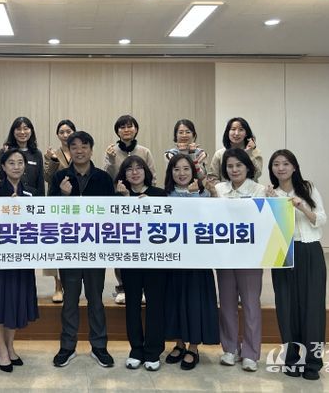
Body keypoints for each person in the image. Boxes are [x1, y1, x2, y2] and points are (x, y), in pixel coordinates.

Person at [49, 131, 116, 368]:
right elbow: (49, 213)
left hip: (95, 248)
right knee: (70, 300)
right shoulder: (59, 177)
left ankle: (99, 346)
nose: (79, 151)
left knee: (96, 299)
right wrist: (63, 196)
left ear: (91, 149)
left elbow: (111, 214)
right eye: (74, 146)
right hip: (69, 248)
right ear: (69, 150)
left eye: (84, 146)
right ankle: (67, 347)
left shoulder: (103, 178)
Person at [0, 149, 39, 373]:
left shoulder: (31, 193)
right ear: (2, 167)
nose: (16, 166)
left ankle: (10, 345)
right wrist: (0, 200)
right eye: (11, 163)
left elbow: (40, 221)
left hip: (22, 256)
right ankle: (1, 348)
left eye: (20, 162)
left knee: (16, 301)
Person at [267, 149, 327, 381]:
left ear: (294, 167)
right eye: (276, 164)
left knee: (313, 307)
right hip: (281, 251)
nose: (281, 168)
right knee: (286, 307)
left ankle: (313, 362)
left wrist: (301, 207)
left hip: (309, 250)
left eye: (285, 163)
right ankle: (291, 359)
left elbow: (321, 219)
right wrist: (269, 203)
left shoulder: (308, 189)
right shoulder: (270, 193)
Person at [162, 154, 220, 370]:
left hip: (198, 259)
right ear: (170, 173)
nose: (181, 173)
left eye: (186, 169)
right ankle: (179, 343)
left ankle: (193, 347)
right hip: (173, 259)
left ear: (193, 172)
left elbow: (212, 219)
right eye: (176, 169)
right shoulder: (164, 196)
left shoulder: (204, 194)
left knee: (195, 301)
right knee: (175, 300)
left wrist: (200, 194)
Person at [214, 148, 266, 372]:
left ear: (247, 167)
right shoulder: (219, 189)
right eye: (230, 166)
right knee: (226, 303)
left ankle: (251, 353)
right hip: (225, 255)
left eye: (239, 165)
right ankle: (230, 348)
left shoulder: (259, 190)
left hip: (250, 256)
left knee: (251, 304)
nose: (234, 170)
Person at [114, 156, 167, 372]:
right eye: (129, 169)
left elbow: (165, 226)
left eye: (139, 168)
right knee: (132, 305)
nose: (134, 172)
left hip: (155, 259)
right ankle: (136, 349)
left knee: (156, 305)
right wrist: (126, 200)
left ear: (146, 171)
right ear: (123, 175)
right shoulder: (118, 196)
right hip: (130, 259)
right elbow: (114, 227)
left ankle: (153, 351)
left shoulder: (159, 194)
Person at [103, 114, 157, 305]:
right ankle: (122, 287)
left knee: (142, 244)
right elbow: (107, 178)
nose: (126, 130)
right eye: (122, 127)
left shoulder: (144, 151)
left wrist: (147, 195)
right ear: (117, 131)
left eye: (130, 126)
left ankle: (142, 287)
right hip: (120, 203)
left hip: (142, 202)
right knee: (122, 244)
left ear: (136, 129)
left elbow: (152, 176)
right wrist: (110, 161)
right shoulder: (111, 151)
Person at [43, 119, 76, 303]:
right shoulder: (52, 154)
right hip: (56, 202)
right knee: (57, 244)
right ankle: (58, 286)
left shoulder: (80, 150)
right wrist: (53, 160)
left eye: (68, 131)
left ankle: (71, 285)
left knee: (72, 243)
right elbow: (48, 177)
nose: (65, 135)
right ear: (57, 135)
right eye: (62, 132)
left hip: (76, 204)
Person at [0, 116, 45, 196]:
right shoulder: (5, 151)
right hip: (10, 196)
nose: (22, 132)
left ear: (31, 131)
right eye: (18, 129)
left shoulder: (37, 153)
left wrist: (41, 200)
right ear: (13, 132)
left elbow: (40, 181)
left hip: (32, 197)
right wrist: (6, 155)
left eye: (25, 128)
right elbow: (1, 175)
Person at [208, 117, 262, 182]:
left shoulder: (254, 152)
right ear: (228, 132)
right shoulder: (219, 154)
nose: (236, 133)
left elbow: (257, 174)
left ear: (246, 133)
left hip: (250, 188)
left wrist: (249, 154)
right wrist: (223, 187)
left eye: (241, 129)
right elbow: (212, 178)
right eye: (233, 129)